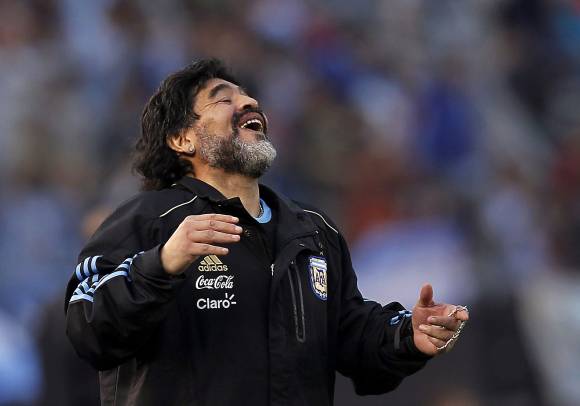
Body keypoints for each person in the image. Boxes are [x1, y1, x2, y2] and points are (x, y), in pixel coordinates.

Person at [65, 59, 469, 406]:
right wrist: (160, 265)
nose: (248, 102)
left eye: (247, 96)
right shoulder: (146, 220)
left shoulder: (313, 229)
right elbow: (87, 328)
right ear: (182, 138)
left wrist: (407, 334)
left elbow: (351, 337)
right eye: (223, 99)